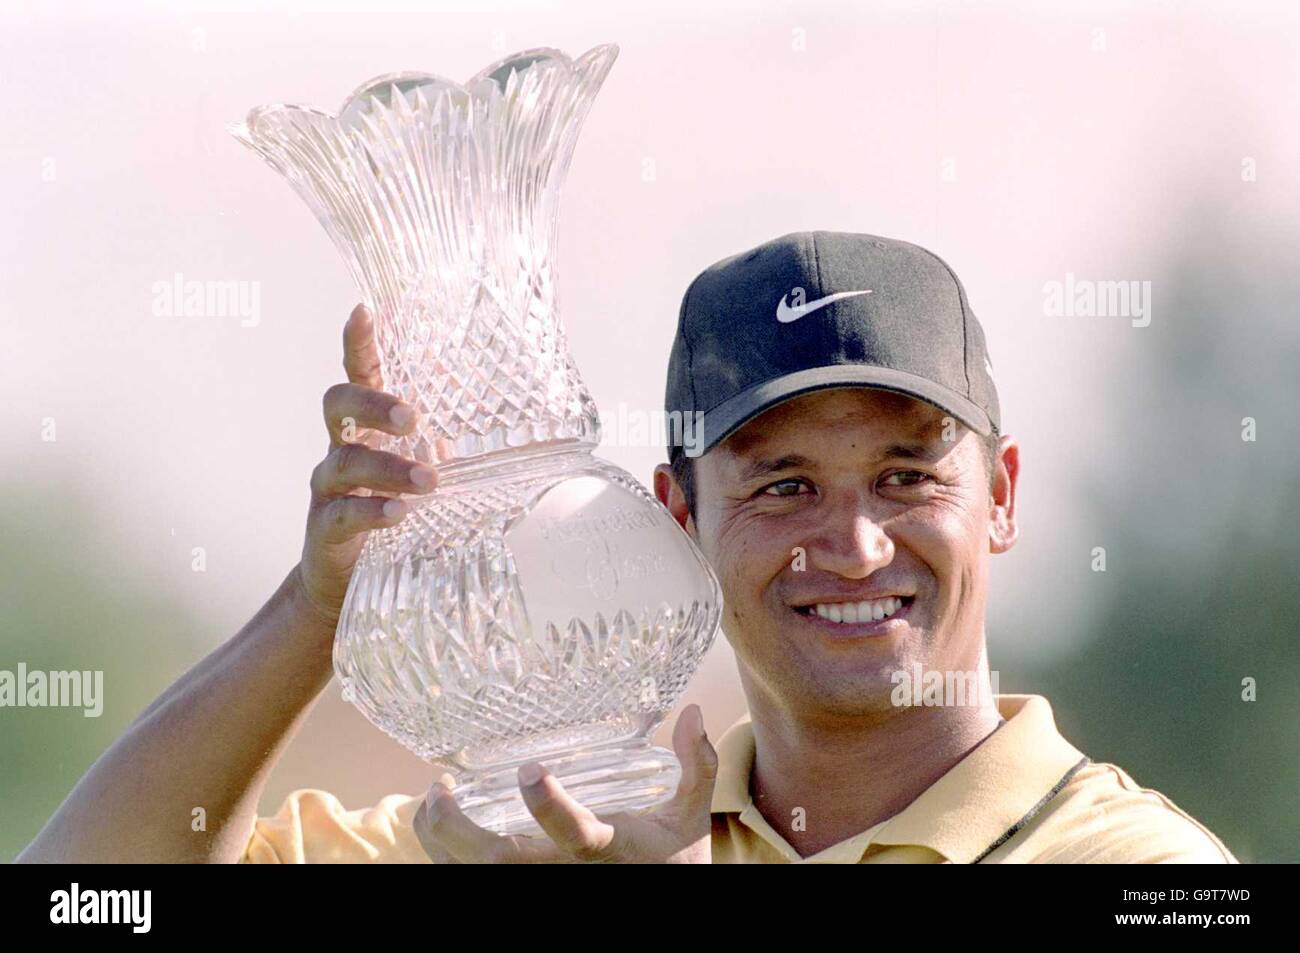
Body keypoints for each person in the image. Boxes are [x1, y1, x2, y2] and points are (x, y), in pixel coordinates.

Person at [18, 231, 1235, 864]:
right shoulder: (567, 831)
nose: (855, 543)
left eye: (908, 476)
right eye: (784, 485)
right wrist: (314, 606)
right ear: (676, 517)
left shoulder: (1140, 863)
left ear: (1003, 494)